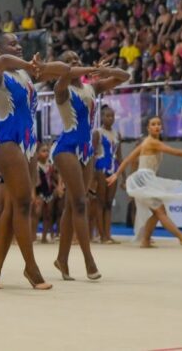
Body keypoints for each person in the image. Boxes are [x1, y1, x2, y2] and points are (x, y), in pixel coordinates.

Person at [0, 32, 62, 290]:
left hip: (28, 143)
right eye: (12, 43)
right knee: (24, 204)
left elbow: (63, 70)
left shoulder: (25, 75)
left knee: (13, 205)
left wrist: (43, 66)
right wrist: (29, 64)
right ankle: (31, 268)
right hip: (6, 140)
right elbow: (5, 62)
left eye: (19, 43)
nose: (19, 46)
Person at [50, 52, 129, 281]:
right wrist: (89, 69)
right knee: (80, 203)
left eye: (76, 58)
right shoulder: (61, 87)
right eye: (69, 60)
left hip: (86, 150)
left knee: (72, 205)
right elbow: (68, 72)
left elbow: (124, 77)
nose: (74, 62)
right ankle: (89, 260)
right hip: (67, 147)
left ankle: (62, 259)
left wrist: (106, 71)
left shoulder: (91, 88)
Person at [107, 117, 182, 249]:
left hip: (147, 178)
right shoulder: (152, 142)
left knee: (158, 213)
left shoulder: (147, 142)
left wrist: (116, 174)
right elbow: (175, 152)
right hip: (144, 179)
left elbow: (128, 159)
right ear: (148, 128)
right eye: (153, 124)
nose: (156, 126)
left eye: (158, 124)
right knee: (160, 212)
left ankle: (146, 240)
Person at [92, 105, 121, 244]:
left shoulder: (117, 134)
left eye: (112, 116)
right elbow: (92, 154)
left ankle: (108, 234)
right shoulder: (97, 133)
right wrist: (91, 176)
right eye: (107, 116)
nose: (110, 118)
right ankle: (101, 235)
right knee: (100, 201)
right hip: (100, 168)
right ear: (102, 117)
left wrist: (123, 175)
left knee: (109, 203)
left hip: (113, 168)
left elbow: (119, 155)